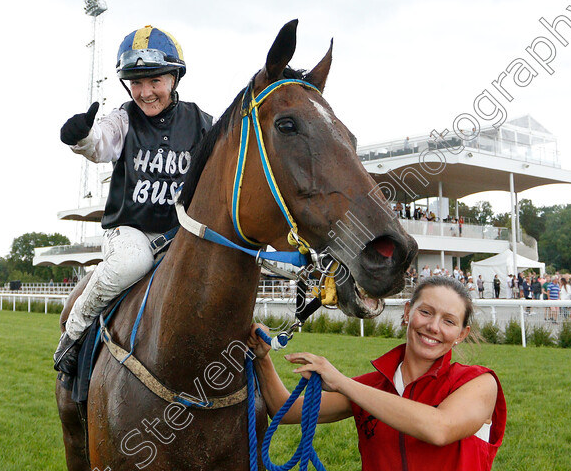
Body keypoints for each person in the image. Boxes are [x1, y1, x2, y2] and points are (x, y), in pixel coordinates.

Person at [53, 25, 213, 373]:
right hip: (130, 232)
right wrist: (81, 137)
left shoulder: (202, 123)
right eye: (136, 82)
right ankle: (75, 332)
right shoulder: (123, 118)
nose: (145, 92)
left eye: (154, 81)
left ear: (174, 78)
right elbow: (101, 141)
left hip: (180, 233)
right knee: (132, 263)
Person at [248, 276, 507, 470]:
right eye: (425, 312)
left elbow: (439, 428)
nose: (433, 326)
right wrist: (263, 358)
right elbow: (285, 410)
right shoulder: (373, 386)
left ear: (462, 334)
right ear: (407, 313)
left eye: (449, 321)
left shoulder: (479, 383)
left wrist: (342, 382)